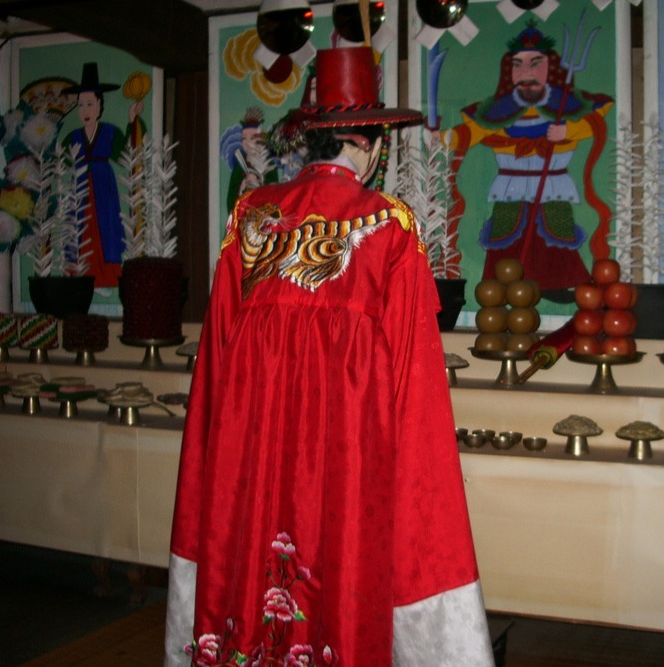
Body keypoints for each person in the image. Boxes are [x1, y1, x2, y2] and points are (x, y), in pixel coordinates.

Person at [164, 46, 494, 667]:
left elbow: (216, 359)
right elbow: (413, 381)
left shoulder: (252, 218)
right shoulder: (389, 227)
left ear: (313, 139)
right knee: (336, 575)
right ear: (371, 147)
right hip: (348, 462)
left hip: (251, 452)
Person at [447, 21, 613, 300]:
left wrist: (567, 131)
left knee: (556, 233)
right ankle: (500, 283)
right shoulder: (498, 110)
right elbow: (472, 131)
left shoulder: (566, 106)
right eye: (518, 65)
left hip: (552, 184)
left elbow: (597, 116)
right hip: (511, 186)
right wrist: (443, 136)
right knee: (505, 234)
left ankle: (558, 283)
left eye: (535, 64)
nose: (526, 73)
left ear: (551, 68)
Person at [62, 62, 143, 287]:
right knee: (79, 230)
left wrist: (132, 120)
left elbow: (127, 155)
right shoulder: (73, 136)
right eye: (81, 105)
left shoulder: (109, 132)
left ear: (99, 105)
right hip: (79, 187)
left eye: (90, 104)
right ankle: (79, 276)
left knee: (106, 229)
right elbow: (59, 162)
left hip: (103, 186)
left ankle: (106, 277)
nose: (85, 110)